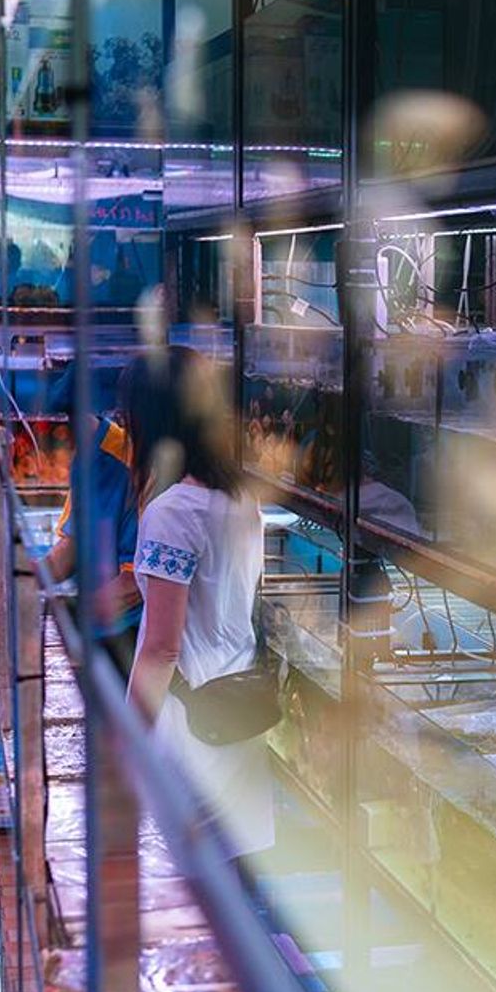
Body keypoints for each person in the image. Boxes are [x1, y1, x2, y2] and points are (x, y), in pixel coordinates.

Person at [125, 347, 276, 857]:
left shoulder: (174, 512)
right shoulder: (239, 497)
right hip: (240, 707)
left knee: (189, 893)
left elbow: (162, 648)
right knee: (236, 884)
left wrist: (127, 736)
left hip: (192, 727)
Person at [44, 354, 173, 676]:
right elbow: (66, 554)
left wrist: (71, 616)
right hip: (104, 637)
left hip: (136, 643)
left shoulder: (148, 470)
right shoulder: (93, 459)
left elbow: (134, 585)